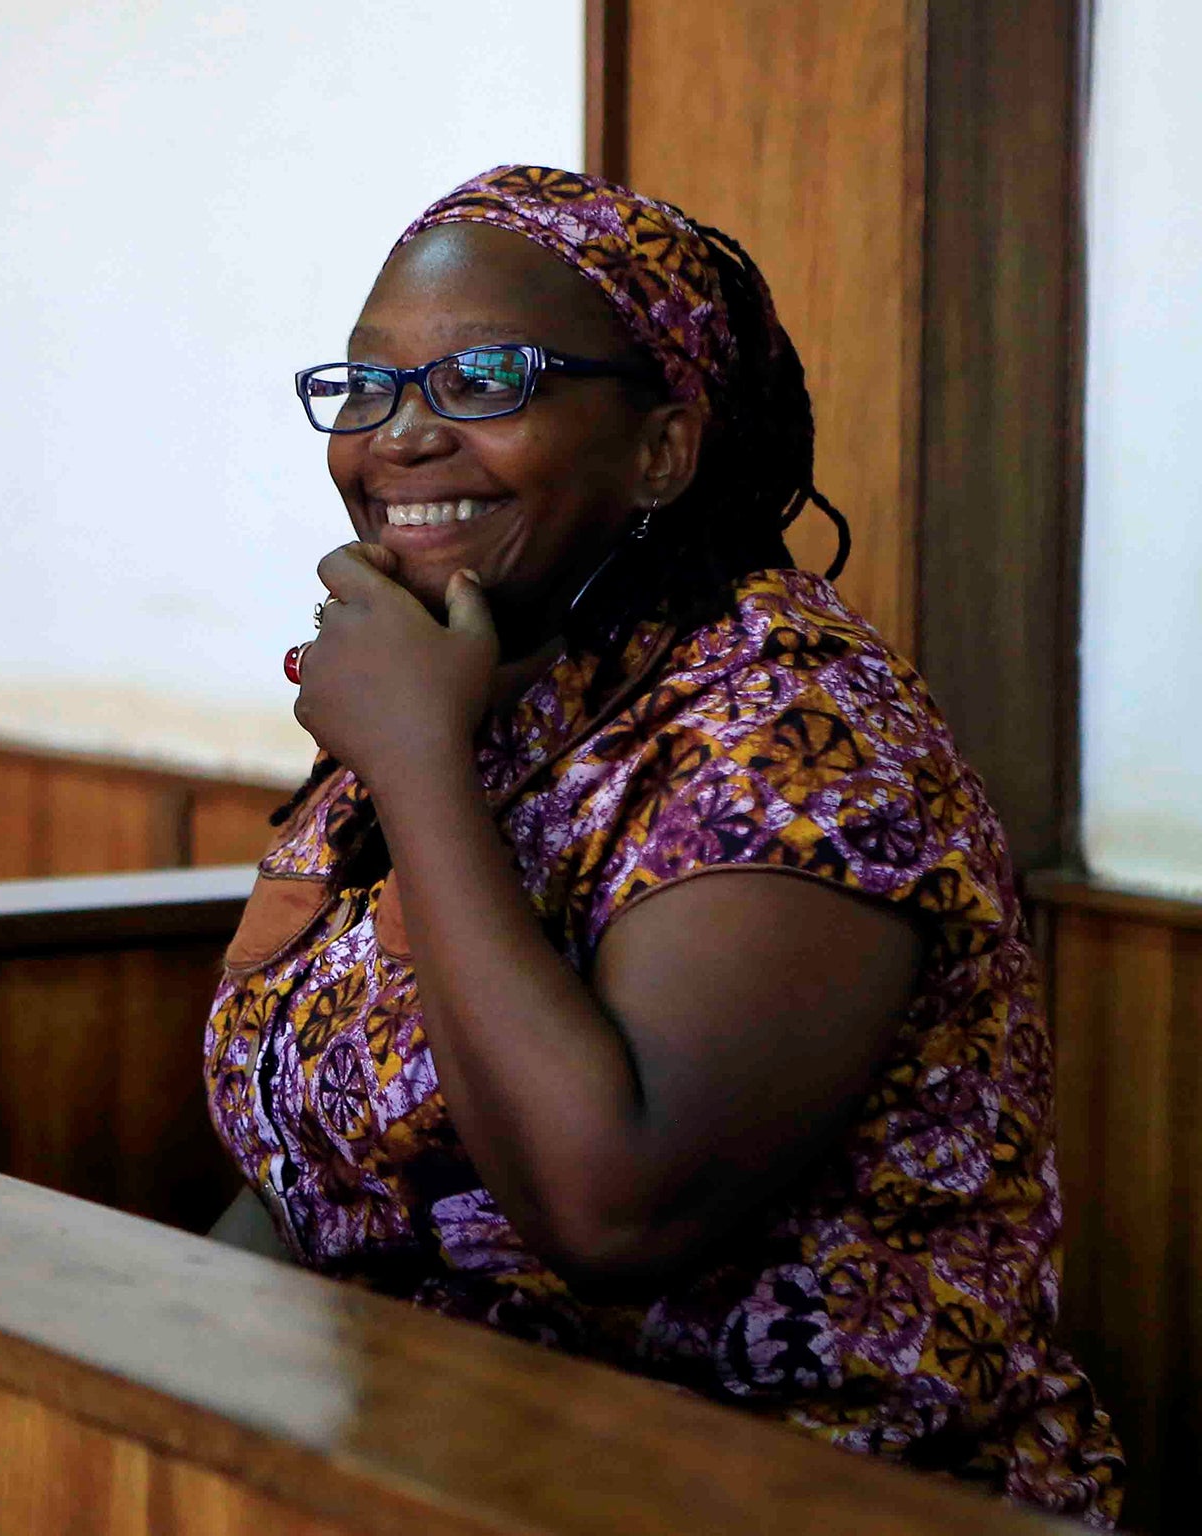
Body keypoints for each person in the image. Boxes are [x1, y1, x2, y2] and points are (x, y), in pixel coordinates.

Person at [203, 165, 1123, 1525]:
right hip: (438, 1465)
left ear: (662, 450)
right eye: (368, 385)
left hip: (816, 1501)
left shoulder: (803, 734)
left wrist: (414, 763)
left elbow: (611, 1212)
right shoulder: (485, 674)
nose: (397, 437)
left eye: (486, 381)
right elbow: (311, 1167)